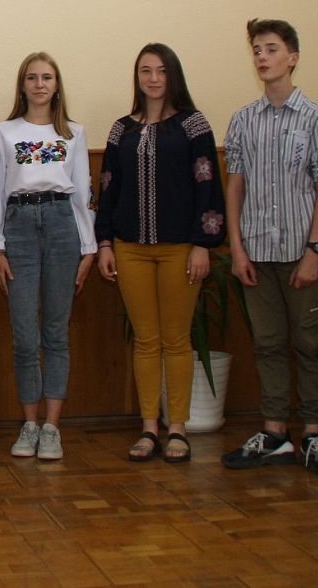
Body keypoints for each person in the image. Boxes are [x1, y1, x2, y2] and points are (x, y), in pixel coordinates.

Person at [221, 18, 318, 477]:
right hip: (256, 251)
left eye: (271, 49)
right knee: (268, 342)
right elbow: (235, 187)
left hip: (300, 251)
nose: (262, 57)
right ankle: (275, 433)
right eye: (256, 50)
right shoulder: (243, 119)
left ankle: (313, 432)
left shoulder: (315, 117)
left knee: (309, 342)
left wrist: (315, 250)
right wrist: (237, 249)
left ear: (292, 57)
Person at [95, 43, 225, 464]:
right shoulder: (121, 130)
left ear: (173, 76)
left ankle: (178, 428)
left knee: (177, 340)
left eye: (161, 71)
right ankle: (149, 427)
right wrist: (104, 242)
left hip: (180, 249)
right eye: (145, 71)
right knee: (146, 340)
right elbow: (108, 187)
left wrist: (203, 244)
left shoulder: (192, 125)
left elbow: (208, 183)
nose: (153, 78)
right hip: (129, 249)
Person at [0, 51, 96, 462]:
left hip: (61, 226)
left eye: (47, 77)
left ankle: (52, 427)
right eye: (32, 77)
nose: (39, 84)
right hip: (19, 227)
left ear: (56, 85)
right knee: (24, 336)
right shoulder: (5, 132)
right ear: (22, 85)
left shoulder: (73, 133)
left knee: (55, 333)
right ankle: (29, 424)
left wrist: (88, 249)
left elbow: (83, 191)